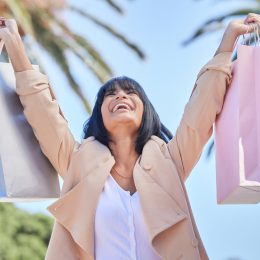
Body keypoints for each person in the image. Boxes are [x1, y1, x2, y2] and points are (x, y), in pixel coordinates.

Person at [0, 13, 259, 260]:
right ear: (99, 114)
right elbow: (44, 115)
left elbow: (200, 112)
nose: (120, 95)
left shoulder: (170, 160)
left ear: (146, 110)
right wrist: (14, 43)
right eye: (110, 94)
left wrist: (229, 40)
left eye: (130, 92)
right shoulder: (77, 163)